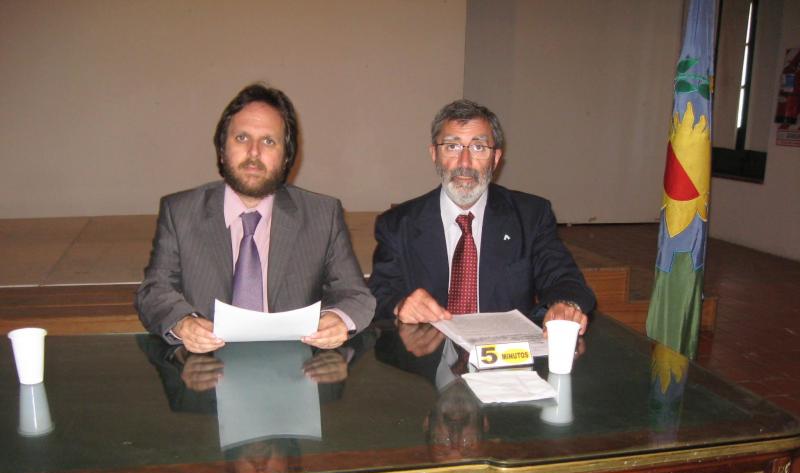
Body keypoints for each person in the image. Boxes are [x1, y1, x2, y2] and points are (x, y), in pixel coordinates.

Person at [135, 84, 375, 353]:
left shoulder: (322, 215)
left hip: (295, 374)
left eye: (268, 141)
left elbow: (355, 295)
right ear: (221, 150)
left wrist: (338, 319)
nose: (253, 153)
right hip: (204, 376)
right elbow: (154, 291)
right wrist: (182, 323)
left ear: (287, 157)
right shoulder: (180, 212)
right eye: (241, 138)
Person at [369, 99, 594, 334]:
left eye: (478, 147)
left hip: (506, 360)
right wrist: (400, 304)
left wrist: (565, 304)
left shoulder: (530, 216)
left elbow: (562, 276)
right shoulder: (397, 224)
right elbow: (379, 292)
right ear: (434, 154)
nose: (464, 163)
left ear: (496, 158)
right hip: (427, 360)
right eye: (452, 146)